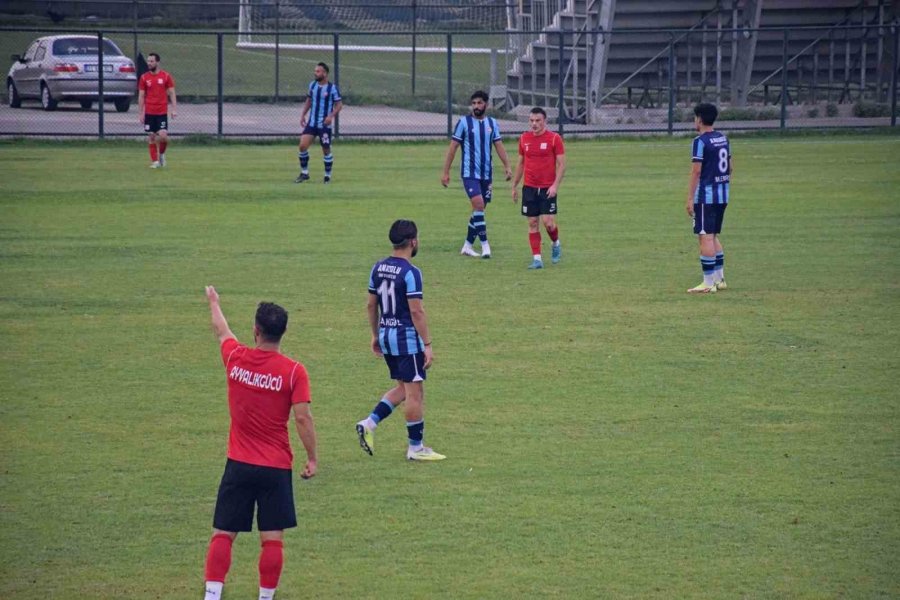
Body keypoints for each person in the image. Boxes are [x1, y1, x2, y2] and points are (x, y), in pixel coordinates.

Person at [201, 287, 318, 600]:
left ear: (255, 330)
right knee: (272, 539)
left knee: (224, 532)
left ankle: (212, 594)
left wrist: (214, 302)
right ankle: (265, 597)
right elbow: (303, 419)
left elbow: (221, 330)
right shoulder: (294, 372)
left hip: (238, 463)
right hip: (275, 467)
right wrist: (312, 458)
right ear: (284, 332)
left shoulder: (236, 359)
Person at [356, 220, 445, 461]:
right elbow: (416, 311)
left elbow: (371, 304)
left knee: (403, 389)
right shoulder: (411, 272)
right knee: (415, 392)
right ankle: (415, 448)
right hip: (406, 339)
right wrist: (427, 345)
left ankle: (369, 423)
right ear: (413, 242)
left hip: (387, 335)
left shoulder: (378, 268)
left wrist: (375, 334)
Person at [441, 90, 512, 259]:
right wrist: (445, 172)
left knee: (478, 210)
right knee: (479, 205)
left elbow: (499, 145)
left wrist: (507, 166)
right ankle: (485, 246)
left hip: (486, 175)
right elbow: (453, 148)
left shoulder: (492, 123)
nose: (476, 106)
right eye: (473, 103)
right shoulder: (464, 123)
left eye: (479, 103)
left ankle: (467, 246)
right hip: (469, 174)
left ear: (486, 104)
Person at [511, 107, 566, 269]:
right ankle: (537, 259)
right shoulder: (524, 138)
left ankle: (555, 243)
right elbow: (521, 163)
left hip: (547, 188)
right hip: (529, 187)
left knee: (548, 222)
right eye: (532, 121)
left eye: (538, 121)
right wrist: (514, 185)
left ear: (545, 121)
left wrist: (555, 185)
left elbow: (562, 164)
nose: (534, 124)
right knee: (533, 222)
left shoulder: (554, 139)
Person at [685, 102, 731, 294]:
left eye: (695, 117)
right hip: (722, 195)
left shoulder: (700, 142)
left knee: (705, 236)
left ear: (700, 119)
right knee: (712, 236)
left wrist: (689, 198)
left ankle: (708, 283)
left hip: (706, 196)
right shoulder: (723, 139)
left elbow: (696, 171)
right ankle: (720, 280)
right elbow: (730, 166)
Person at [295, 62, 342, 184]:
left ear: (325, 73)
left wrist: (331, 116)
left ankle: (327, 176)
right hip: (312, 123)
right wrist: (303, 115)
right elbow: (309, 101)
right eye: (315, 71)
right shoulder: (312, 85)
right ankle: (304, 173)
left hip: (324, 125)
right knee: (302, 146)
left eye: (318, 71)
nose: (315, 73)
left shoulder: (332, 88)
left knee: (326, 149)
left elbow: (339, 105)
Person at [138, 53, 176, 169]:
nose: (149, 63)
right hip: (149, 111)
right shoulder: (144, 77)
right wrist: (141, 113)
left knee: (163, 136)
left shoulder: (165, 76)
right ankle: (155, 162)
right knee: (152, 137)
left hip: (161, 112)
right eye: (148, 61)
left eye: (152, 61)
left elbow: (172, 93)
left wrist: (174, 109)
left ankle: (162, 154)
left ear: (157, 62)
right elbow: (141, 96)